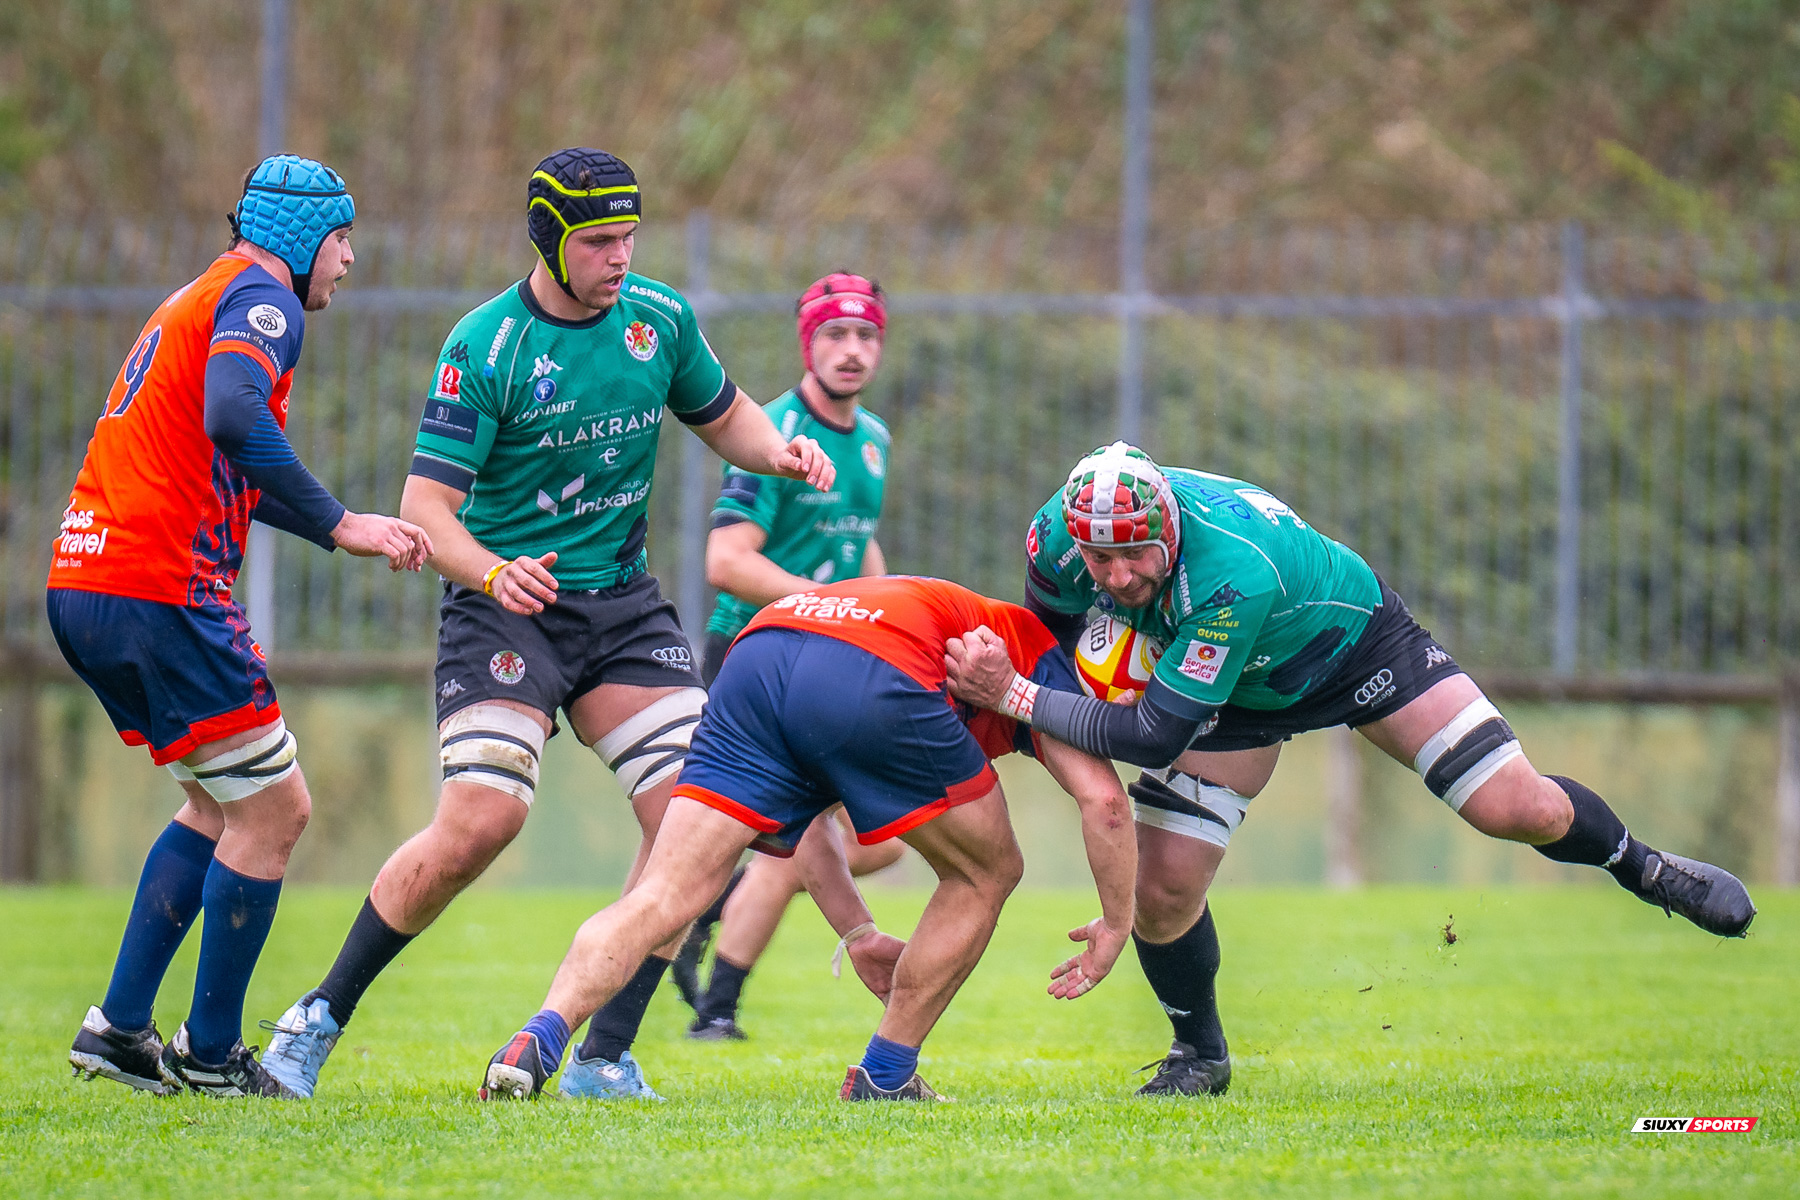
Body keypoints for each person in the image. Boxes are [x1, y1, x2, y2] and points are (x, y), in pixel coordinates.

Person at [260, 148, 834, 1101]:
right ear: (550, 239)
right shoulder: (485, 347)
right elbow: (427, 513)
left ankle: (604, 1053)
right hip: (504, 612)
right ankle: (317, 1016)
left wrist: (782, 454)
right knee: (483, 819)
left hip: (620, 609)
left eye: (628, 238)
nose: (620, 257)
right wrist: (494, 569)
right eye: (600, 241)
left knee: (703, 823)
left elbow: (726, 417)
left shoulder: (658, 321)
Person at [945, 441, 1759, 1098]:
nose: (1116, 578)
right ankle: (1199, 1054)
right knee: (1161, 889)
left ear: (1168, 531)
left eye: (1134, 556)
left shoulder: (1233, 571)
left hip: (1350, 648)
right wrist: (1016, 684)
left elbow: (1154, 734)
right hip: (1231, 691)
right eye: (1099, 560)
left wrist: (1013, 696)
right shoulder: (1061, 531)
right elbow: (1046, 633)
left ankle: (1645, 869)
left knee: (1516, 808)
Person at [56, 155, 432, 1098]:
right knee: (276, 808)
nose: (350, 261)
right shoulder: (267, 300)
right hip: (160, 588)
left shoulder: (201, 293)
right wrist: (345, 520)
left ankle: (121, 1028)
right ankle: (214, 1054)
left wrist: (336, 529)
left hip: (87, 579)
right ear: (305, 238)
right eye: (344, 240)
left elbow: (218, 459)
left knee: (221, 806)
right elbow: (234, 418)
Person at [479, 575, 1137, 1102]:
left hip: (764, 648)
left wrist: (857, 934)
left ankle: (539, 1034)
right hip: (871, 667)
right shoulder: (1051, 672)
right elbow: (1105, 802)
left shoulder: (967, 614)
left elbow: (811, 810)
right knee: (988, 872)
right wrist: (1116, 921)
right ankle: (886, 1074)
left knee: (667, 892)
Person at [673, 271, 902, 1040]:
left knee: (874, 844)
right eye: (835, 334)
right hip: (754, 657)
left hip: (830, 655)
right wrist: (822, 602)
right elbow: (727, 560)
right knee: (806, 838)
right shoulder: (775, 433)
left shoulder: (873, 440)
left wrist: (888, 615)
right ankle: (717, 1004)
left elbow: (857, 541)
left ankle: (715, 904)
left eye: (866, 334)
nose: (851, 349)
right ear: (808, 343)